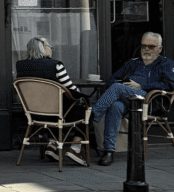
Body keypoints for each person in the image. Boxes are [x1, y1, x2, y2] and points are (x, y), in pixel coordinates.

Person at [92, 32, 174, 166]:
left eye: (151, 47)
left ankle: (92, 116)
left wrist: (142, 85)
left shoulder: (166, 64)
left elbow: (171, 84)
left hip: (149, 101)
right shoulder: (132, 63)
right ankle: (109, 151)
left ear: (159, 49)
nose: (146, 49)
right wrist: (124, 84)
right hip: (127, 99)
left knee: (117, 88)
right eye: (143, 46)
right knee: (115, 106)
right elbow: (112, 80)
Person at [16, 36, 89, 166]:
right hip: (56, 112)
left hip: (33, 113)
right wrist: (83, 97)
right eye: (50, 47)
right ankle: (75, 148)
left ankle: (52, 145)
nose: (51, 49)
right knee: (84, 110)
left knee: (56, 106)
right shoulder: (55, 65)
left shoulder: (20, 65)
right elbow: (70, 88)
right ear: (43, 48)